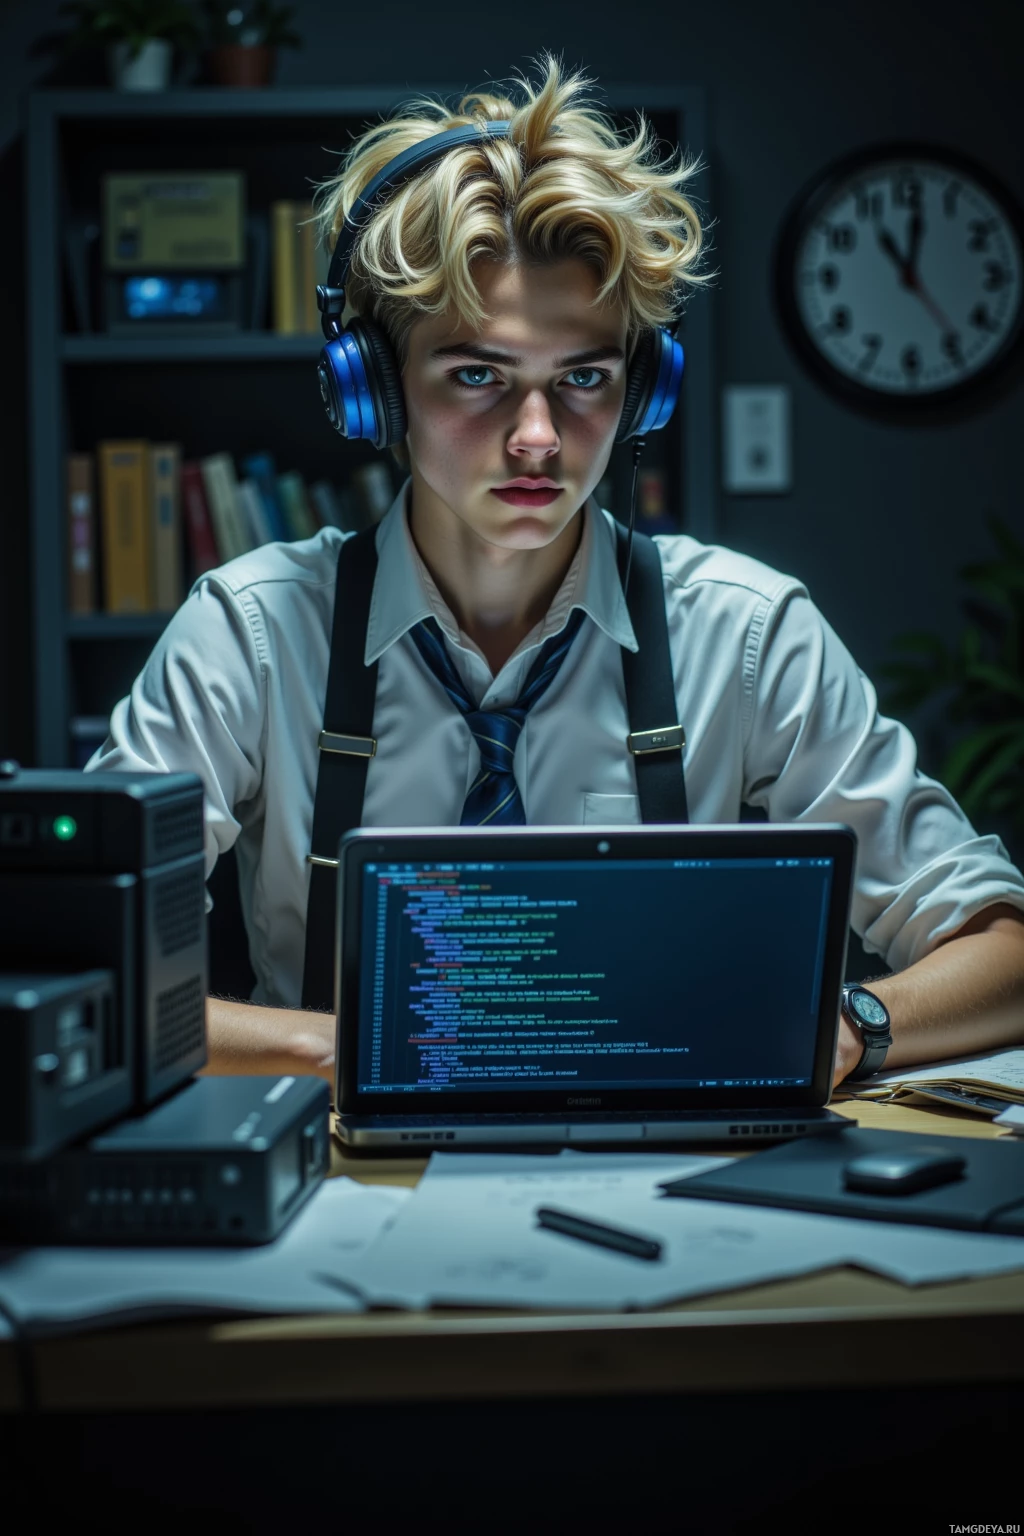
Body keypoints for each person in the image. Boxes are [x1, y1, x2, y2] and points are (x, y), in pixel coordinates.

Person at [85, 56, 1024, 1090]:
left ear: (643, 393)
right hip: (340, 1185)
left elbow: (1005, 951)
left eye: (583, 379)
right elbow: (87, 961)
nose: (538, 438)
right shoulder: (250, 634)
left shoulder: (748, 632)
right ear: (374, 394)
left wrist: (848, 1029)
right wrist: (348, 1046)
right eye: (477, 376)